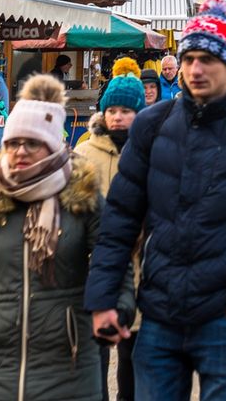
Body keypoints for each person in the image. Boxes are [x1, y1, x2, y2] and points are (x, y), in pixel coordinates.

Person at [85, 0, 226, 401]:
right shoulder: (152, 127)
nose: (195, 69)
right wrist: (103, 297)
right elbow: (119, 218)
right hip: (159, 313)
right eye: (188, 59)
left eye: (207, 59)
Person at [0, 74, 124, 400]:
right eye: (13, 142)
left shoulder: (80, 194)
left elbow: (112, 258)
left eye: (32, 142)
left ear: (52, 144)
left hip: (67, 363)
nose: (20, 151)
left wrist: (116, 308)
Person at [75, 58, 148, 401]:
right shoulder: (83, 153)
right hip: (95, 266)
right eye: (112, 109)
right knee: (94, 355)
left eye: (126, 110)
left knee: (133, 355)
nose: (117, 116)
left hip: (140, 267)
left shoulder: (150, 150)